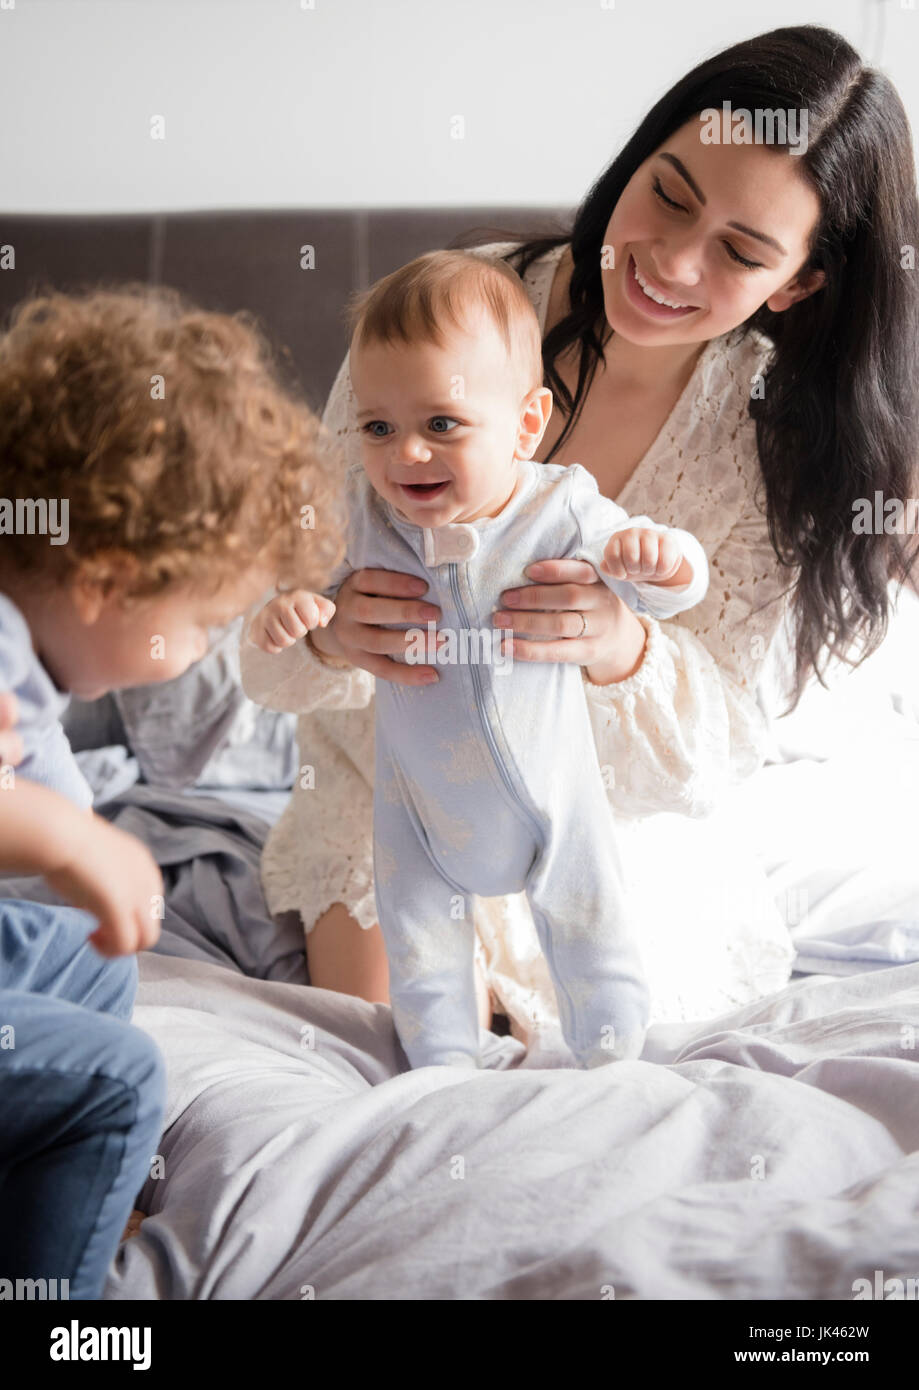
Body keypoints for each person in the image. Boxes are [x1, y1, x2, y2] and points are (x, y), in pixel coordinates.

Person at [242, 25, 919, 1050]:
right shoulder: (451, 304)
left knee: (589, 1053)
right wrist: (334, 635)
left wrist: (621, 648)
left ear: (795, 284)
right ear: (637, 155)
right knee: (401, 1056)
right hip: (398, 778)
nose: (670, 263)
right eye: (669, 194)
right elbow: (295, 584)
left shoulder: (776, 434)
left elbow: (721, 742)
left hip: (605, 817)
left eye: (739, 252)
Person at [242, 250, 710, 1069]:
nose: (405, 456)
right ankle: (441, 1071)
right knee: (419, 937)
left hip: (554, 801)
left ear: (525, 425)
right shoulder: (364, 515)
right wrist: (302, 615)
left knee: (588, 923)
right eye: (378, 427)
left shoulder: (558, 506)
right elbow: (300, 583)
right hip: (416, 806)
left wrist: (663, 560)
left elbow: (657, 590)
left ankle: (613, 1062)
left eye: (441, 425)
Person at [0, 282, 342, 1297]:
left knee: (91, 968)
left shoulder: (32, 661)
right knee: (117, 1077)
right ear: (106, 582)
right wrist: (68, 839)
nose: (206, 651)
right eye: (203, 625)